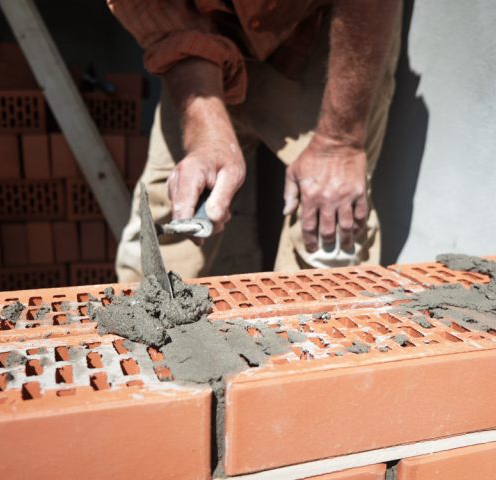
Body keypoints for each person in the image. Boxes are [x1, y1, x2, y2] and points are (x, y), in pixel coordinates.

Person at [108, 0, 402, 282]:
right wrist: (205, 133)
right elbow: (160, 14)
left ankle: (311, 328)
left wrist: (338, 142)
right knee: (175, 207)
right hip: (206, 37)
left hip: (333, 32)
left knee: (328, 227)